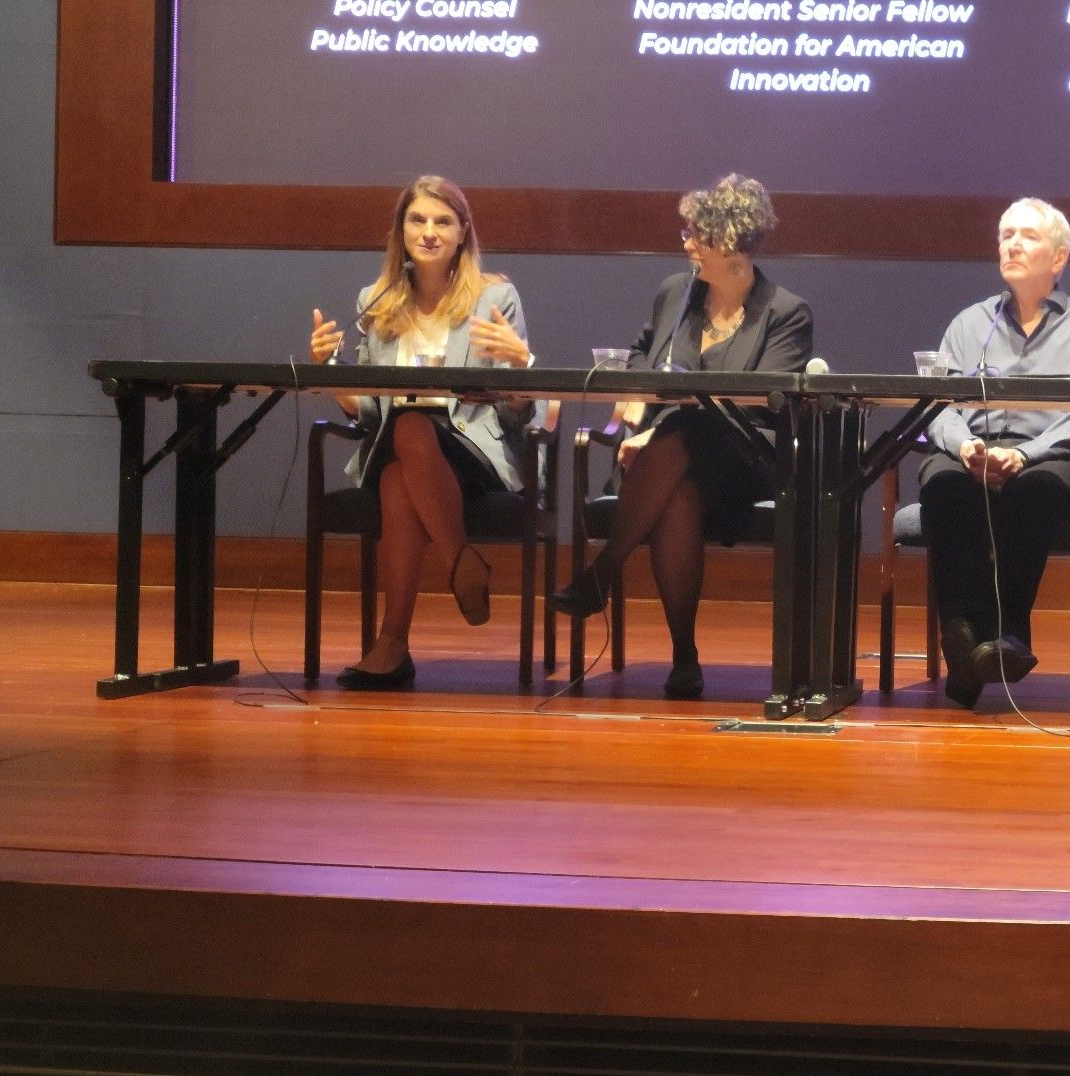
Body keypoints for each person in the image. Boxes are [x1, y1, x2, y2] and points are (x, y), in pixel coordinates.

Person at [549, 174, 813, 699]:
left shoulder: (786, 313)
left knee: (690, 425)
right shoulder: (675, 294)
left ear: (732, 241)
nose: (687, 243)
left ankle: (604, 571)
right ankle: (684, 658)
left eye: (697, 234)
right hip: (674, 467)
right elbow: (642, 365)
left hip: (748, 462)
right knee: (676, 500)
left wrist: (658, 432)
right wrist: (634, 415)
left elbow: (753, 402)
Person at [307, 174, 539, 691]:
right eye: (418, 219)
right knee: (400, 457)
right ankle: (458, 569)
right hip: (400, 447)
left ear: (463, 233)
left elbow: (522, 410)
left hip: (472, 447)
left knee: (409, 439)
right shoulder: (378, 299)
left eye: (442, 221)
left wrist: (521, 364)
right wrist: (331, 372)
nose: (429, 231)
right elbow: (369, 413)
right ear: (401, 230)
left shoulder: (494, 297)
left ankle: (392, 642)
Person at [920, 198, 1070, 709]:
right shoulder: (969, 324)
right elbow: (937, 403)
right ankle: (975, 640)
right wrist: (964, 444)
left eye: (1026, 235)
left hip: (1051, 458)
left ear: (1058, 257)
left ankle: (989, 640)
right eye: (1005, 234)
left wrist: (1025, 455)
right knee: (943, 484)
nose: (1011, 244)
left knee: (1034, 490)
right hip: (972, 449)